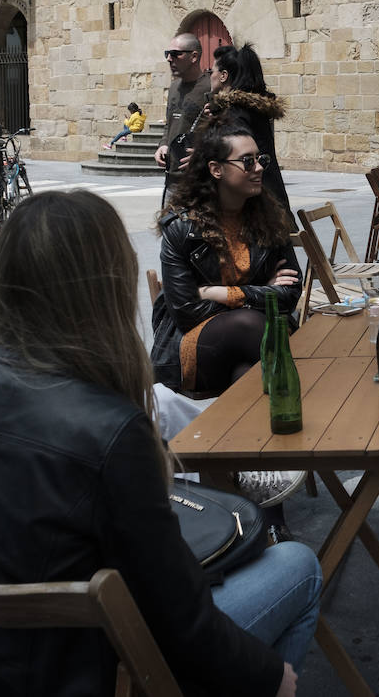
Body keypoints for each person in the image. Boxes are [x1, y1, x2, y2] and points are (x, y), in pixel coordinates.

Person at [0, 190, 321, 697]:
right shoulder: (111, 429)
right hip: (97, 666)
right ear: (106, 287)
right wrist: (269, 676)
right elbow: (180, 618)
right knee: (297, 566)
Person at [155, 118, 306, 512]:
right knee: (255, 325)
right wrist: (262, 293)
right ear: (217, 170)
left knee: (247, 375)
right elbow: (187, 310)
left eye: (261, 160)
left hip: (248, 348)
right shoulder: (181, 229)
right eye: (248, 161)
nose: (258, 169)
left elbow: (290, 292)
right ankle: (286, 450)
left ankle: (265, 508)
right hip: (193, 346)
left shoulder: (266, 218)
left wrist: (227, 292)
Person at [208, 43, 293, 218]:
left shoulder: (236, 113)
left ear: (226, 75)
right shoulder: (255, 110)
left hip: (253, 203)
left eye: (212, 72)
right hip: (271, 196)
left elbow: (241, 159)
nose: (210, 76)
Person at [155, 32, 212, 190]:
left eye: (175, 54)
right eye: (167, 54)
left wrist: (203, 153)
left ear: (194, 57)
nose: (169, 59)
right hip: (172, 178)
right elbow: (169, 124)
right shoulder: (174, 87)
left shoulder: (210, 88)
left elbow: (224, 132)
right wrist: (163, 144)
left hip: (200, 180)